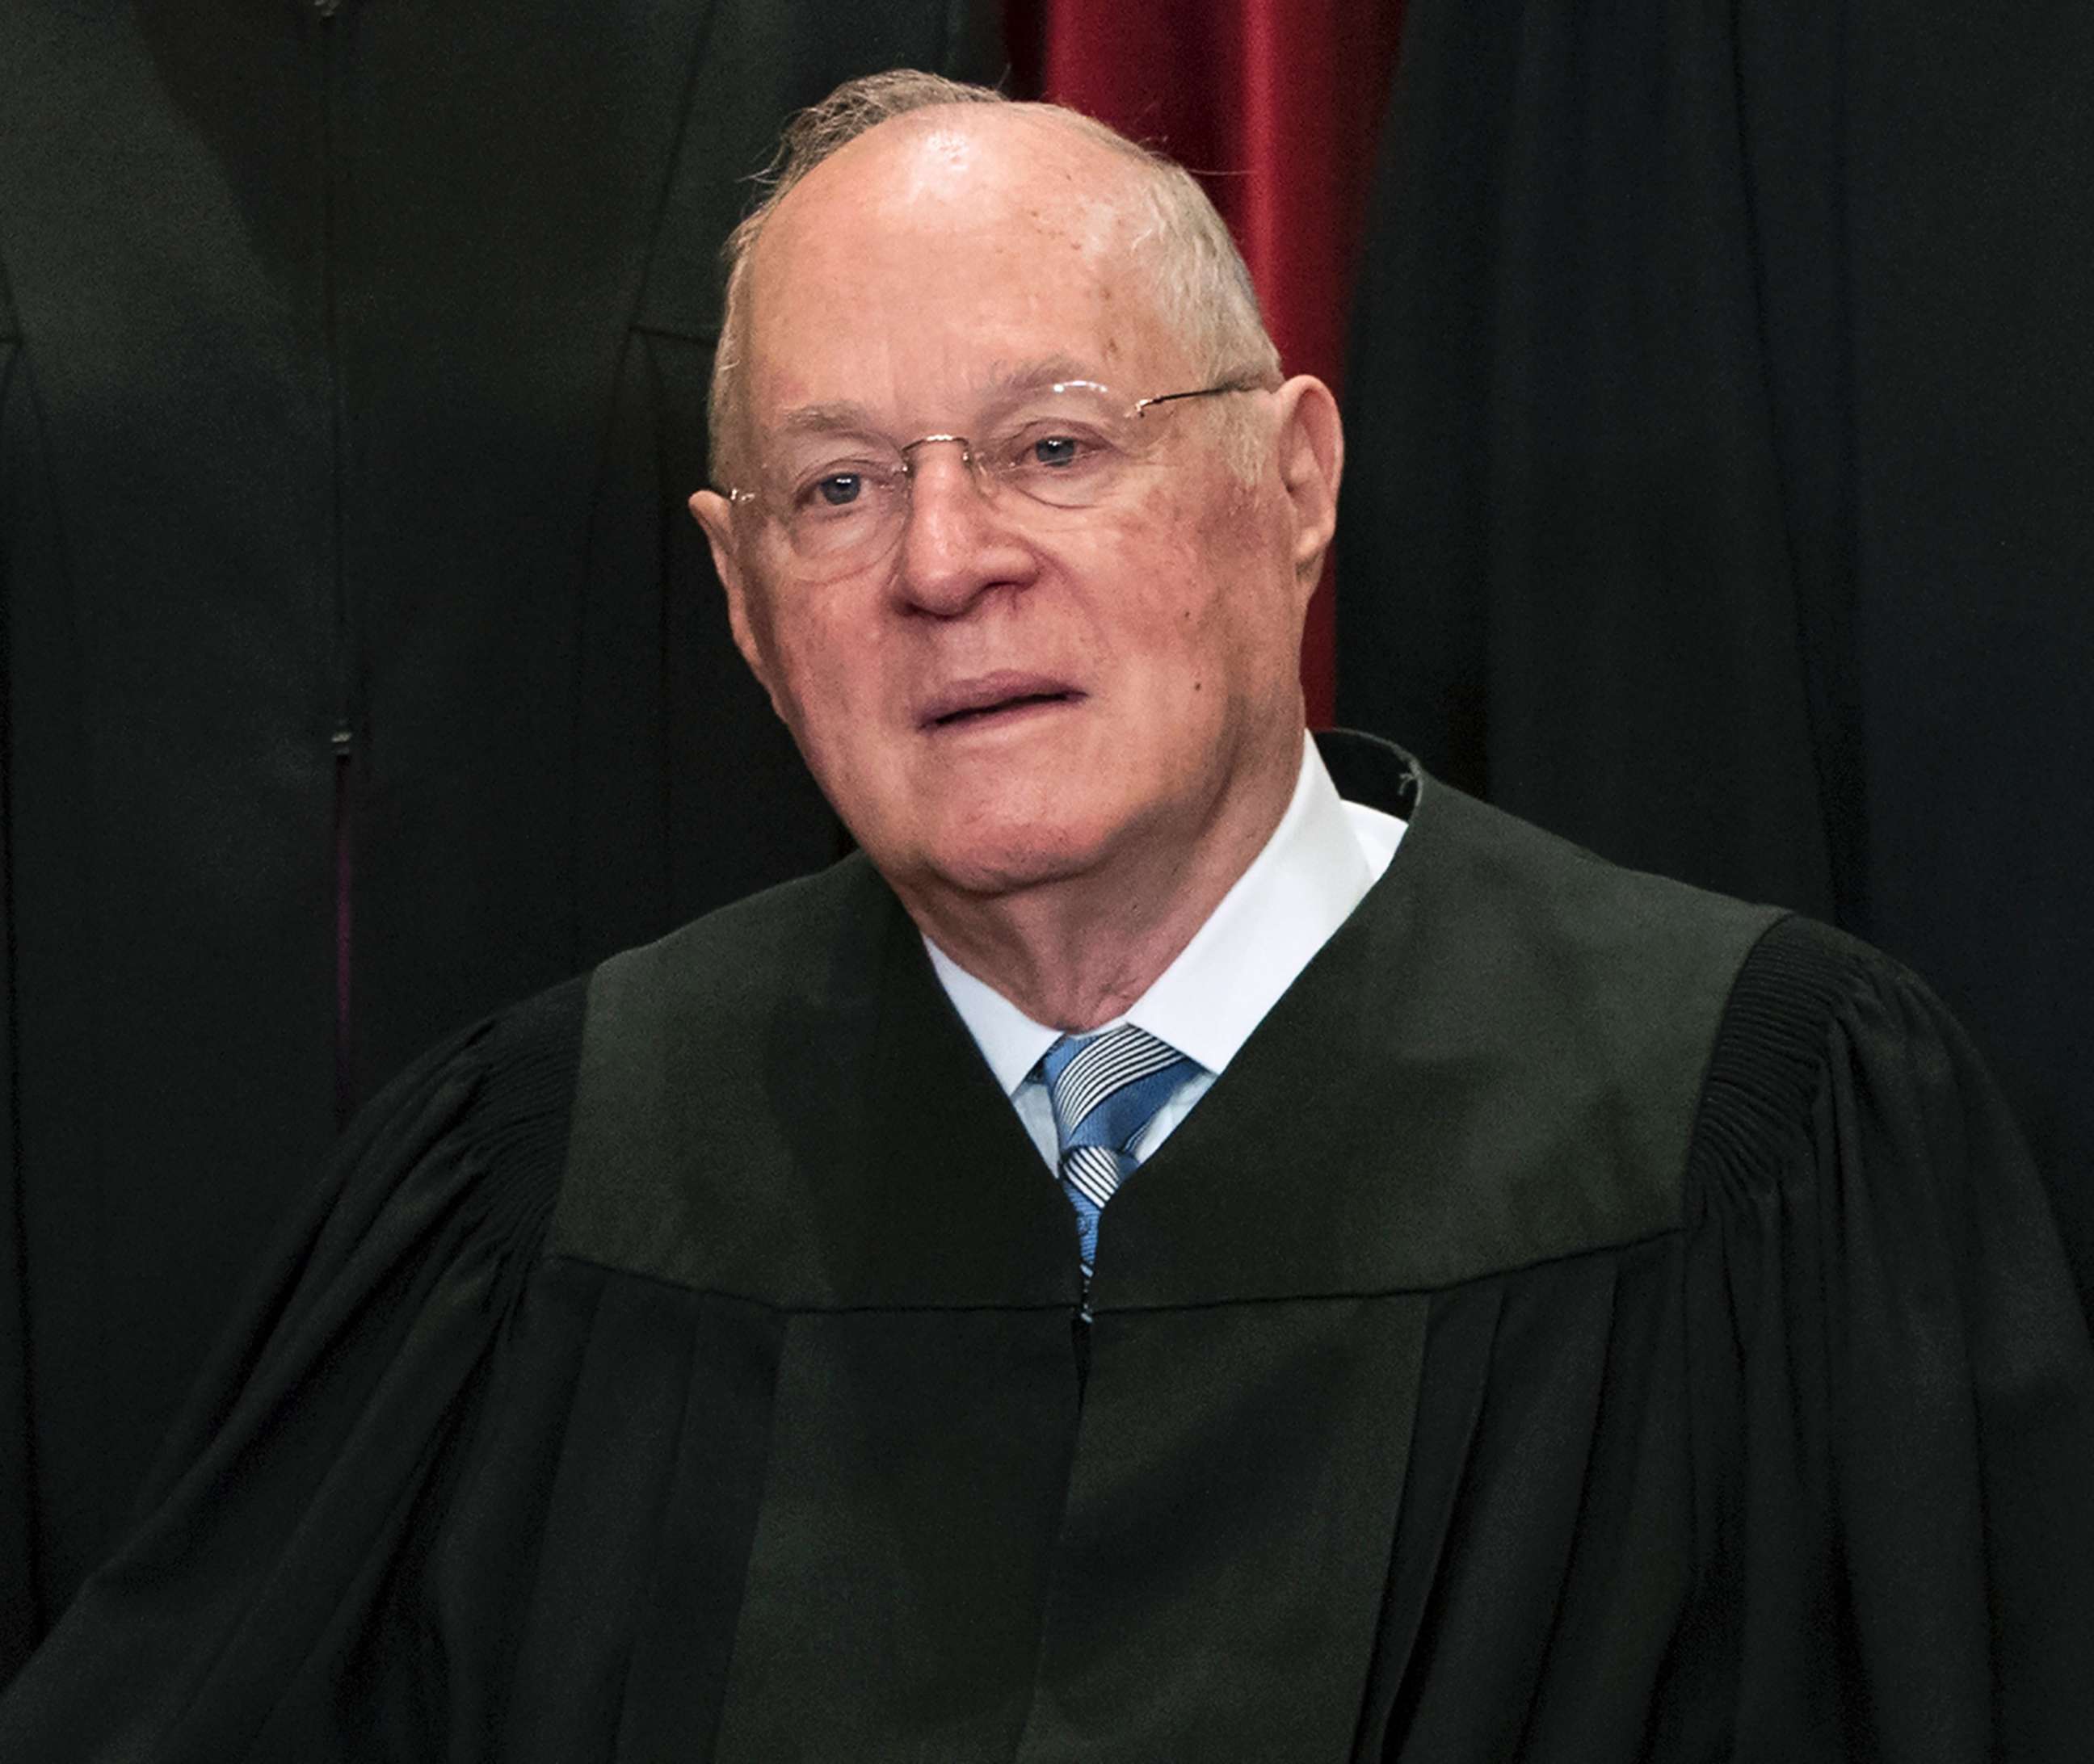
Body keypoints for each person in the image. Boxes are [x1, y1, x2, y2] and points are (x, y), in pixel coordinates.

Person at [3, 70, 2089, 1762]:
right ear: (739, 605)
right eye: (836, 488)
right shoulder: (541, 1193)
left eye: (1053, 444)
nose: (943, 559)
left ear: (1291, 483)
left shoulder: (1763, 1140)